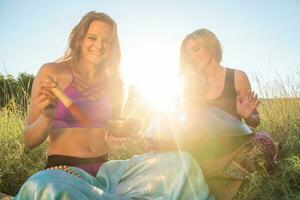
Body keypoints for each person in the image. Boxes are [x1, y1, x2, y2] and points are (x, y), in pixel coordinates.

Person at [14, 12, 213, 200]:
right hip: (64, 173)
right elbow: (29, 140)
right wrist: (47, 117)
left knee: (181, 163)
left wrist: (115, 141)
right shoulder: (52, 72)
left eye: (106, 41)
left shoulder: (116, 84)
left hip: (107, 173)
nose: (99, 45)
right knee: (43, 185)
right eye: (92, 38)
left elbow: (110, 137)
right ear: (80, 39)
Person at [179, 28, 278, 199]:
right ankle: (226, 177)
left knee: (264, 142)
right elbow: (188, 125)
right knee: (175, 159)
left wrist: (247, 114)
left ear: (211, 45)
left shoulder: (237, 77)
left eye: (196, 49)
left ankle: (217, 177)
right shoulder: (190, 86)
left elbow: (255, 121)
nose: (192, 56)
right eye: (188, 53)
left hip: (235, 147)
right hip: (204, 151)